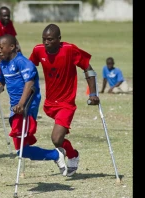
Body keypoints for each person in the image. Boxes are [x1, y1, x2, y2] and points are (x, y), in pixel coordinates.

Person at [0, 34, 67, 176]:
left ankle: (56, 155)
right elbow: (1, 81)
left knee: (21, 149)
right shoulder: (3, 63)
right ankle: (56, 155)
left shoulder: (23, 63)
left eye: (2, 48)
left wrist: (22, 104)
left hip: (26, 107)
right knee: (23, 150)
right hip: (15, 109)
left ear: (12, 47)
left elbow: (30, 83)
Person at [28, 24, 100, 177]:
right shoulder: (38, 50)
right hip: (49, 103)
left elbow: (88, 68)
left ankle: (71, 156)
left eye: (50, 39)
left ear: (59, 39)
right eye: (44, 39)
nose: (46, 43)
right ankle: (73, 154)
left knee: (56, 138)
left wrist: (92, 93)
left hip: (66, 103)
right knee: (59, 139)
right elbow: (29, 67)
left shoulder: (69, 49)